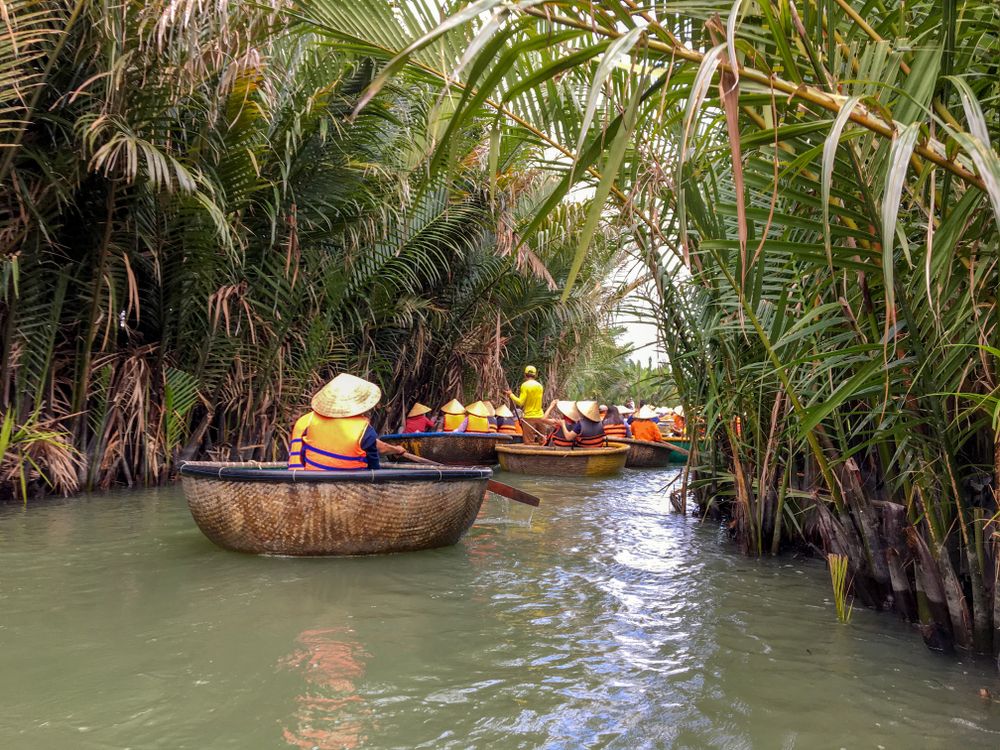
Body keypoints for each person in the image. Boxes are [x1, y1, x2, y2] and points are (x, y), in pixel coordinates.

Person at [288, 373, 383, 470]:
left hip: (312, 481)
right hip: (353, 482)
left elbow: (302, 456)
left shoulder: (308, 421)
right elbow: (374, 466)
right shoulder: (365, 430)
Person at [508, 365, 547, 445]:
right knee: (543, 442)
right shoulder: (540, 386)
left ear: (525, 375)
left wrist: (511, 395)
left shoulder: (525, 386)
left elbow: (520, 402)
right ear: (535, 375)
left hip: (529, 417)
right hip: (541, 417)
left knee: (529, 443)